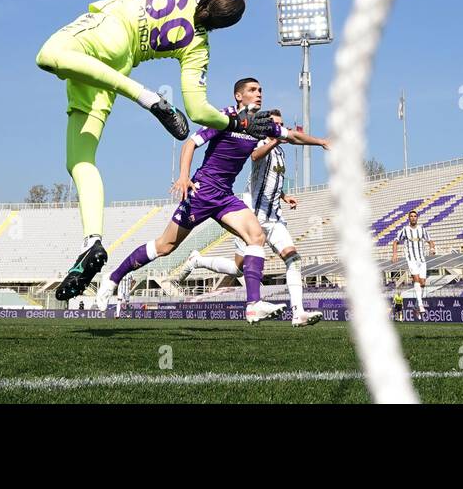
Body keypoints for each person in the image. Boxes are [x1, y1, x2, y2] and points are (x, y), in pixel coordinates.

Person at [36, 0, 253, 300]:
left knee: (48, 55)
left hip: (109, 32)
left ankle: (146, 98)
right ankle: (92, 240)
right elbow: (198, 110)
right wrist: (236, 122)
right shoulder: (199, 47)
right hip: (117, 67)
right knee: (80, 159)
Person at [97, 78, 323, 322]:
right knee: (165, 246)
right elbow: (190, 144)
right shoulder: (223, 118)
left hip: (225, 196)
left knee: (255, 236)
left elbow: (293, 137)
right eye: (252, 90)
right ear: (239, 96)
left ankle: (253, 304)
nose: (259, 94)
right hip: (202, 191)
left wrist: (322, 142)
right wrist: (184, 177)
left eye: (260, 90)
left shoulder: (260, 125)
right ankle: (113, 277)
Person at [178, 108, 324, 327]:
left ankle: (298, 313)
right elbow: (255, 157)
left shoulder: (280, 153)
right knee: (238, 268)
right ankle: (197, 260)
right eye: (275, 124)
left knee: (294, 259)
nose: (279, 128)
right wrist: (274, 141)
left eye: (280, 124)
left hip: (274, 218)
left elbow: (271, 178)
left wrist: (284, 196)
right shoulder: (255, 140)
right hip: (251, 216)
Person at [391, 210, 435, 319]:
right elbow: (395, 241)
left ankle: (416, 306)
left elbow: (430, 240)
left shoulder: (422, 230)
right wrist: (395, 254)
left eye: (415, 216)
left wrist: (432, 248)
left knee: (423, 283)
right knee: (416, 279)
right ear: (409, 218)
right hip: (411, 259)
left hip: (422, 259)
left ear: (417, 218)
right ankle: (420, 305)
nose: (413, 218)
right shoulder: (405, 230)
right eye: (411, 216)